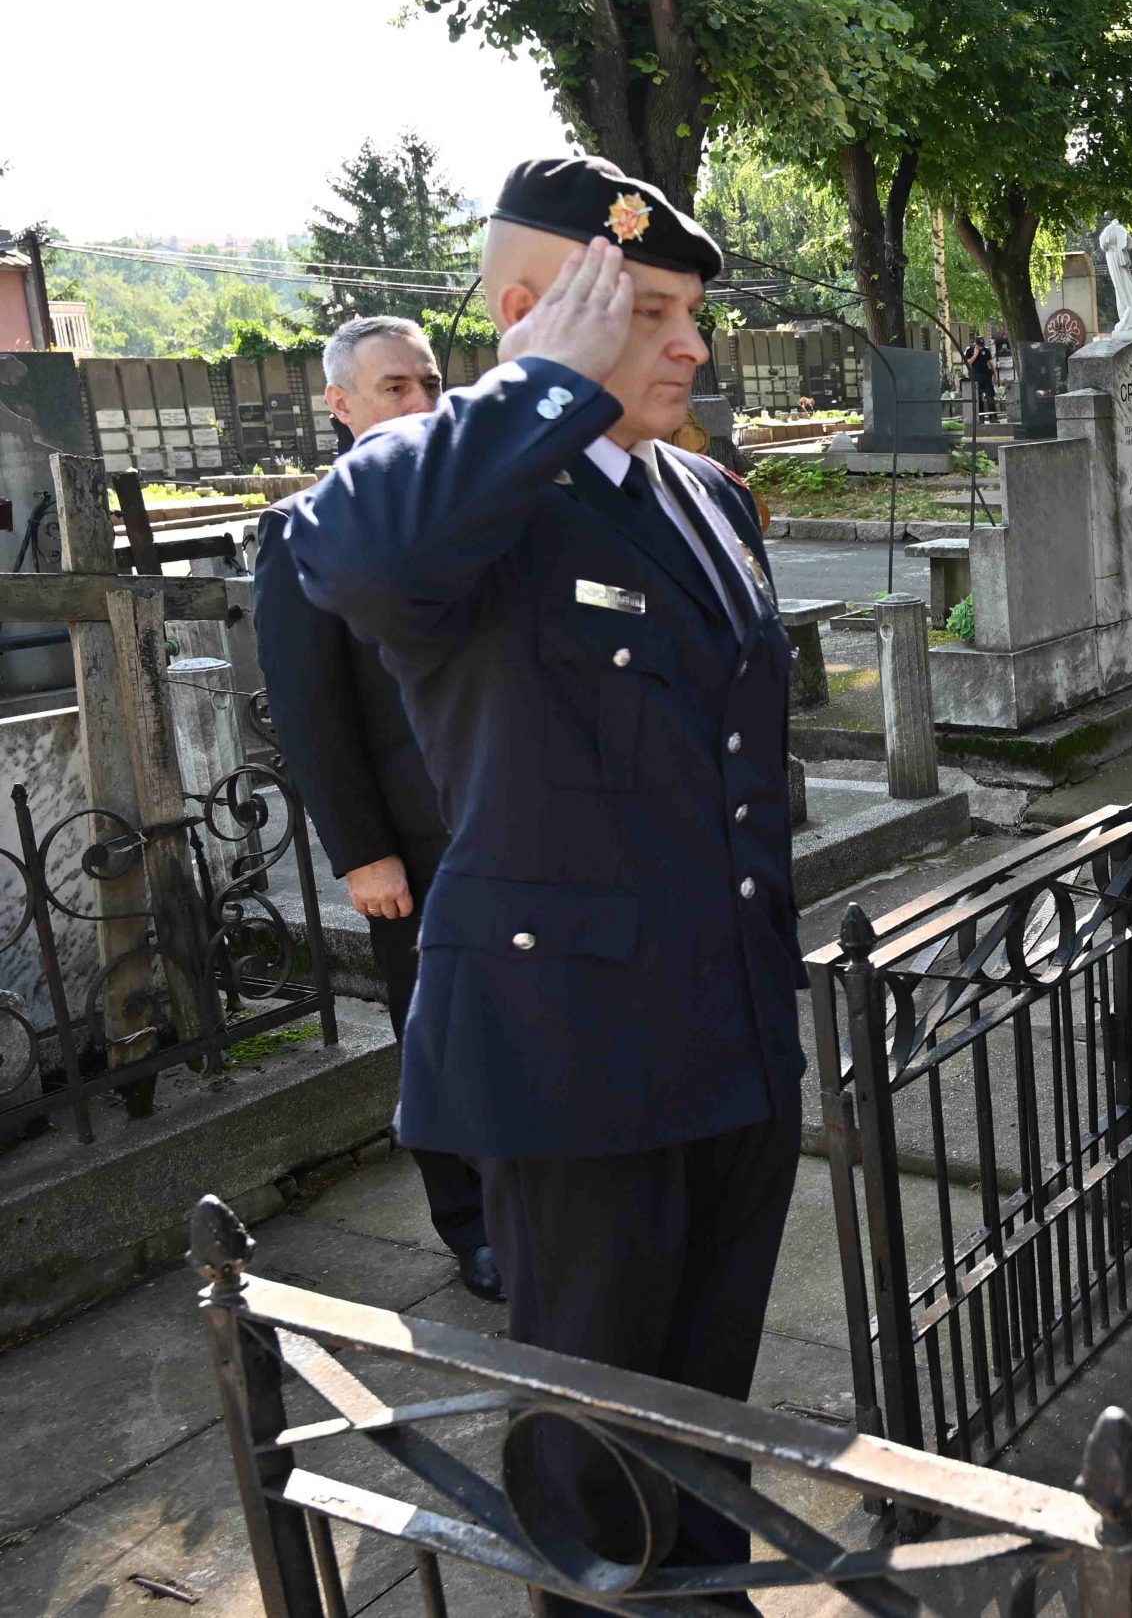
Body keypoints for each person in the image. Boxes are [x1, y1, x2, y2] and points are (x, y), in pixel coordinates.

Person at [283, 156, 802, 1609]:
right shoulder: (467, 494)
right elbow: (348, 555)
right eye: (644, 313)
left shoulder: (706, 493)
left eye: (693, 311)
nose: (691, 344)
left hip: (731, 1023)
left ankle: (703, 1588)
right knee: (588, 1446)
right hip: (574, 1057)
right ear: (532, 315)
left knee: (706, 1406)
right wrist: (534, 388)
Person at [253, 315, 501, 1305]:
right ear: (341, 404)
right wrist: (362, 854)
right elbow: (308, 708)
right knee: (442, 1035)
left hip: (511, 818)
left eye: (430, 382)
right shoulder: (307, 528)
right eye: (392, 387)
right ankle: (472, 1223)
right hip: (413, 844)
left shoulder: (482, 511)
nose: (418, 403)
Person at [962, 335, 996, 419]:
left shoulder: (986, 350)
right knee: (978, 398)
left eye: (982, 345)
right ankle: (980, 419)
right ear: (975, 344)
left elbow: (990, 363)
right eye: (979, 345)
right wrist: (975, 354)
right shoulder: (969, 350)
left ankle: (993, 418)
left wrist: (994, 375)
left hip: (986, 376)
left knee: (990, 397)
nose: (981, 347)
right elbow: (968, 362)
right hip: (976, 376)